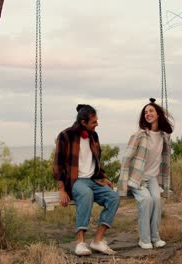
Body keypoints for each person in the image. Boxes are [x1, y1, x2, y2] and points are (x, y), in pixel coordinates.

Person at [53, 104, 120, 256]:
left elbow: (97, 160)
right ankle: (80, 243)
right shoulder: (65, 135)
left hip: (93, 180)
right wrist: (62, 189)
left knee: (113, 197)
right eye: (94, 122)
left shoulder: (94, 136)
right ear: (83, 122)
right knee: (86, 194)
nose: (97, 124)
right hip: (75, 181)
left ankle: (97, 240)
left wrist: (103, 177)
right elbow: (58, 165)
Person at [117, 98, 173, 249]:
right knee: (146, 200)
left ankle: (155, 237)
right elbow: (127, 157)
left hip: (152, 177)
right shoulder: (140, 135)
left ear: (158, 114)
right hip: (137, 178)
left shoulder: (164, 136)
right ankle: (145, 239)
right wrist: (124, 182)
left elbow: (165, 158)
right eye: (145, 112)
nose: (148, 114)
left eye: (151, 111)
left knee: (156, 200)